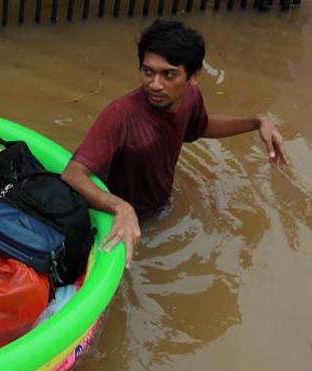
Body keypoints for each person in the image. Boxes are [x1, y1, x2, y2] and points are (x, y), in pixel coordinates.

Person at [61, 19, 288, 268]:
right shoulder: (120, 115)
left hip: (158, 211)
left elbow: (200, 126)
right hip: (117, 222)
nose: (155, 84)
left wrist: (256, 122)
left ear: (194, 76)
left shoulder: (190, 98)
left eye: (169, 74)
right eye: (148, 72)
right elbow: (72, 175)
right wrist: (121, 208)